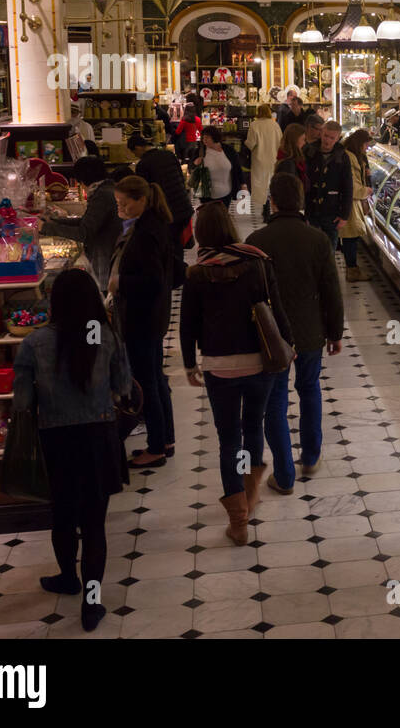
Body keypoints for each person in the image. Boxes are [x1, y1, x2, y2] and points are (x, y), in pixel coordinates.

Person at [13, 268, 132, 633]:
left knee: (63, 516)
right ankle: (92, 605)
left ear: (54, 301)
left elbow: (22, 403)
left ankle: (68, 576)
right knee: (95, 524)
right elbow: (123, 386)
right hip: (99, 438)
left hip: (56, 440)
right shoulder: (107, 336)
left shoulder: (33, 343)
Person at [180, 203, 294, 545]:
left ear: (200, 233)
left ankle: (238, 521)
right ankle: (249, 493)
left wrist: (189, 364)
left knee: (228, 439)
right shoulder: (258, 262)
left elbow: (188, 326)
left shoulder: (198, 273)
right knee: (252, 428)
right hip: (259, 363)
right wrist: (289, 346)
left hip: (219, 368)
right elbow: (277, 309)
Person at [247, 173, 343, 491]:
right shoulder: (317, 239)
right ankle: (312, 457)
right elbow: (331, 289)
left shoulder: (257, 242)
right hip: (310, 331)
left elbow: (250, 296)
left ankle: (285, 475)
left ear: (272, 200)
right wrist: (335, 332)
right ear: (301, 201)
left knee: (275, 401)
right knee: (310, 389)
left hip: (272, 336)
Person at [109, 175, 175, 469]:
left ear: (141, 200)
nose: (120, 208)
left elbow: (153, 281)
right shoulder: (152, 223)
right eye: (117, 203)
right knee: (156, 378)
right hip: (152, 316)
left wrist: (120, 282)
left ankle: (157, 447)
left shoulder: (147, 232)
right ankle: (166, 439)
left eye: (124, 203)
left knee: (146, 381)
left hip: (143, 318)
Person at [41, 156, 119, 292]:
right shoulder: (106, 190)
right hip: (109, 258)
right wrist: (54, 221)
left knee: (110, 302)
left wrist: (46, 228)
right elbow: (86, 221)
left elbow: (84, 232)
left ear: (82, 180)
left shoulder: (101, 196)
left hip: (107, 260)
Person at [128, 132, 194, 257]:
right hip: (184, 206)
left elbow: (146, 192)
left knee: (168, 247)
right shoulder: (168, 155)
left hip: (168, 211)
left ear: (137, 148)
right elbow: (181, 177)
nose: (135, 156)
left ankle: (172, 272)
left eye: (134, 153)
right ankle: (179, 270)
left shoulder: (143, 164)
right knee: (177, 244)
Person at [302, 118, 353, 248]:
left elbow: (347, 186)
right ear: (321, 133)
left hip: (332, 211)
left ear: (337, 138)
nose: (327, 140)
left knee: (329, 250)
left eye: (332, 138)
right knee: (310, 249)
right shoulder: (309, 151)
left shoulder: (342, 157)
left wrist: (344, 215)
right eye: (325, 136)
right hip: (310, 208)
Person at [338, 129, 373, 281]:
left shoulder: (353, 155)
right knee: (350, 237)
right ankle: (352, 271)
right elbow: (352, 187)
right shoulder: (349, 158)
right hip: (350, 203)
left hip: (352, 202)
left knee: (351, 236)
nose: (366, 148)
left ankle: (352, 268)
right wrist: (367, 191)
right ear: (359, 143)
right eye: (366, 144)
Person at [192, 125, 241, 207]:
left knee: (222, 217)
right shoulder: (200, 151)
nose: (204, 140)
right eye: (203, 138)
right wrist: (195, 163)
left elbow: (237, 168)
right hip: (206, 195)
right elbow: (192, 167)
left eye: (207, 138)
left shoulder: (228, 150)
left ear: (214, 137)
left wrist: (243, 184)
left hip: (226, 194)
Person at [245, 103, 281, 211]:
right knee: (272, 183)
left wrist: (245, 143)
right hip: (273, 158)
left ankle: (265, 207)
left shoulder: (254, 125)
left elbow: (251, 144)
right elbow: (281, 142)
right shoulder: (275, 125)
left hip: (259, 159)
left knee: (260, 184)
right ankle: (272, 205)